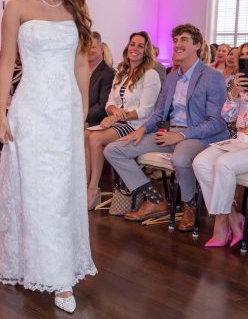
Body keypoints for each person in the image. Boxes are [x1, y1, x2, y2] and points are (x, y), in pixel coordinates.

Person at [0, 0, 97, 313]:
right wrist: (1, 114)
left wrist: (82, 110)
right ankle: (36, 268)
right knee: (35, 191)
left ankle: (61, 273)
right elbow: (6, 64)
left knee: (61, 191)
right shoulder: (17, 6)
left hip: (65, 111)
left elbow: (81, 62)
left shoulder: (76, 3)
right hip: (31, 108)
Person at [104, 23, 229, 229]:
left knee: (180, 158)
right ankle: (155, 200)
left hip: (199, 135)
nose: (177, 44)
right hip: (169, 133)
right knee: (114, 149)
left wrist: (180, 136)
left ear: (197, 45)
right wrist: (141, 131)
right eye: (176, 40)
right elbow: (159, 114)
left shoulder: (211, 76)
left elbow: (216, 121)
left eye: (184, 40)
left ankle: (188, 205)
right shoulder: (171, 78)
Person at [85, 31, 161, 210]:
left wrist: (118, 116)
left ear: (146, 51)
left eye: (140, 46)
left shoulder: (150, 75)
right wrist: (113, 111)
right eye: (132, 44)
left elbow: (145, 110)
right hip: (118, 121)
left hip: (136, 125)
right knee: (86, 134)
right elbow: (110, 102)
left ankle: (93, 189)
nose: (135, 48)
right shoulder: (122, 73)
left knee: (95, 138)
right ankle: (84, 185)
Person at [193, 69, 248, 247]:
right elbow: (227, 116)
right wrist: (234, 93)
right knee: (200, 163)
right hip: (240, 140)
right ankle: (233, 216)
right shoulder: (240, 85)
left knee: (223, 164)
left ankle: (221, 224)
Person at [86, 31, 115, 127]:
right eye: (87, 46)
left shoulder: (108, 73)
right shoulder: (80, 71)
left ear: (101, 49)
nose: (89, 50)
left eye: (93, 47)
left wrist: (81, 118)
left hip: (95, 123)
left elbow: (102, 106)